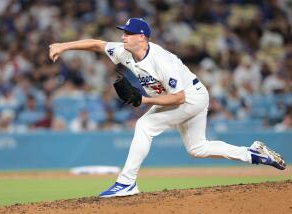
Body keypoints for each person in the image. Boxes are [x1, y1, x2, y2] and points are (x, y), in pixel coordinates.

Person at [49, 18, 286, 198]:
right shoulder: (124, 52)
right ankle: (254, 154)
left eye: (129, 34)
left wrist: (144, 101)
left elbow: (179, 98)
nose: (123, 37)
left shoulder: (162, 60)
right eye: (124, 33)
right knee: (198, 148)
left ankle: (127, 182)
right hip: (185, 96)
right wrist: (63, 45)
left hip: (191, 98)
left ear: (142, 38)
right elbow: (97, 45)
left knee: (144, 125)